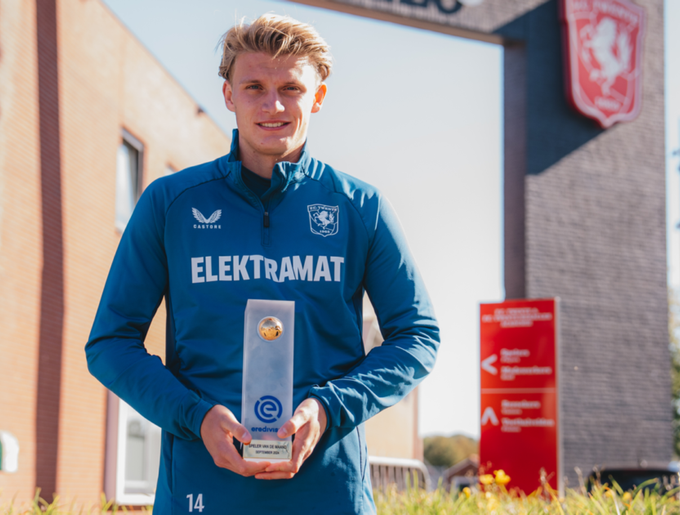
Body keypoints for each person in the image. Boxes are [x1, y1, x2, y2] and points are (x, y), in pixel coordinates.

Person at [86, 14, 439, 514]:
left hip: (329, 494)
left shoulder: (361, 207)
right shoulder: (170, 204)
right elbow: (109, 344)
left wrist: (329, 408)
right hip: (201, 491)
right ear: (228, 95)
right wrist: (195, 416)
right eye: (254, 87)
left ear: (317, 97)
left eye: (291, 88)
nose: (272, 105)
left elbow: (418, 336)